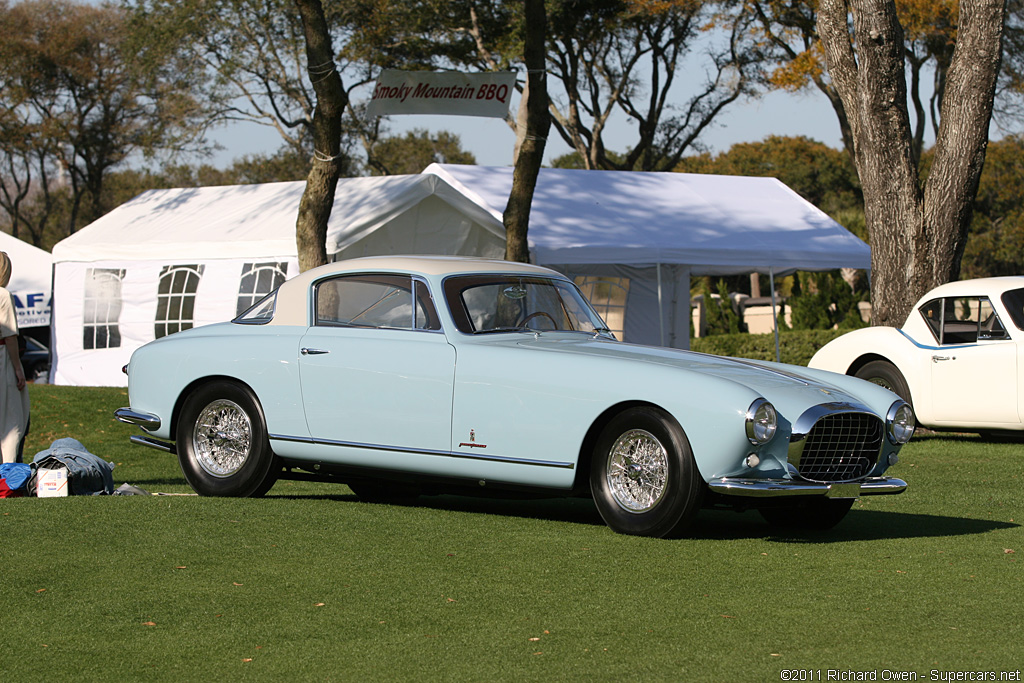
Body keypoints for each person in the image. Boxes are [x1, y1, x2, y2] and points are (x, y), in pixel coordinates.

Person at [0, 251, 30, 463]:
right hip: (2, 360)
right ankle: (8, 475)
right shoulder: (3, 295)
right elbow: (10, 335)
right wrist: (18, 368)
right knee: (12, 420)